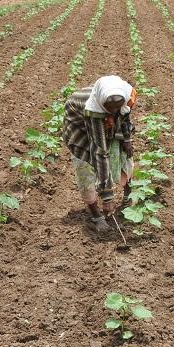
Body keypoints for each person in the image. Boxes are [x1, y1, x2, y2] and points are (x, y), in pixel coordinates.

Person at [62, 75, 136, 232]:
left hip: (107, 122)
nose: (115, 110)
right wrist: (107, 197)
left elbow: (125, 116)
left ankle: (128, 196)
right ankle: (97, 216)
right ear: (103, 104)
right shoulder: (93, 111)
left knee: (123, 154)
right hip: (80, 129)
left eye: (118, 107)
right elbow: (100, 153)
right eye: (111, 108)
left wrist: (127, 139)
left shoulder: (126, 96)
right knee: (86, 167)